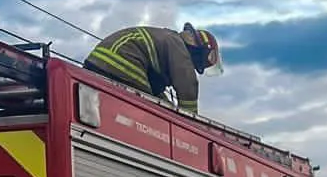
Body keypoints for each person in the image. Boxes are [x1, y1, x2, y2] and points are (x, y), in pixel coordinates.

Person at [83, 22, 222, 115]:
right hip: (121, 63)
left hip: (101, 63)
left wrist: (169, 107)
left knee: (162, 107)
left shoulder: (164, 40)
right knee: (155, 113)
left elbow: (155, 92)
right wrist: (192, 122)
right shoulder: (176, 44)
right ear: (200, 50)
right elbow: (188, 85)